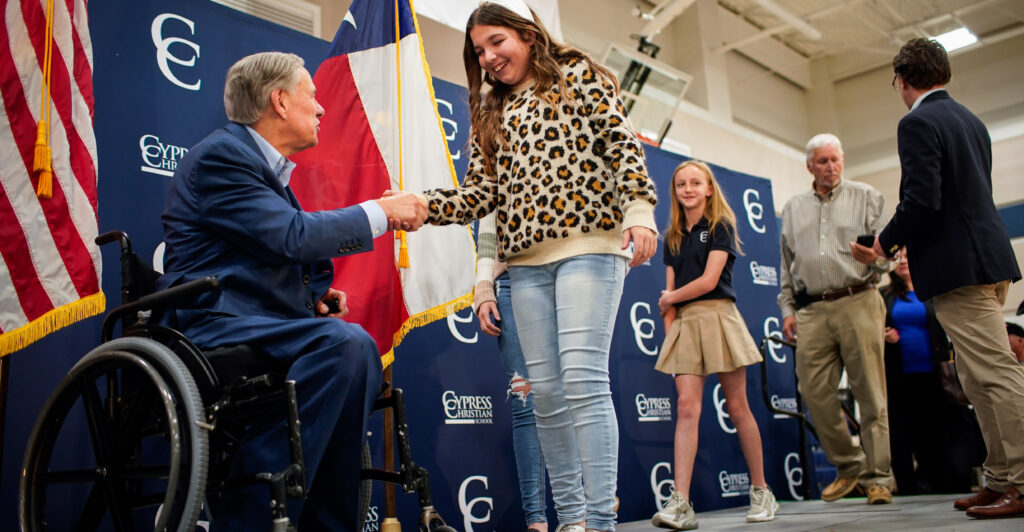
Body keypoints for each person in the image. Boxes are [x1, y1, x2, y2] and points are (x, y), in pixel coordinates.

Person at [158, 51, 428, 531]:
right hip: (213, 327)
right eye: (312, 95)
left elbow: (255, 252)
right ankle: (254, 515)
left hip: (257, 320)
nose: (320, 108)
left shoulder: (264, 171)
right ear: (279, 101)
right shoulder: (224, 157)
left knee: (349, 345)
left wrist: (312, 299)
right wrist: (381, 214)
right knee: (347, 345)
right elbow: (290, 236)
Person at [416, 2, 658, 530]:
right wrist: (423, 207)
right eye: (479, 51)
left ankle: (600, 520)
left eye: (496, 43)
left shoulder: (579, 73)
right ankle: (570, 519)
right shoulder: (490, 106)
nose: (488, 58)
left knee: (583, 382)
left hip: (589, 248)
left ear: (526, 34)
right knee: (544, 395)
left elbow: (622, 146)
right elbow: (480, 194)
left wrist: (639, 210)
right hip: (523, 265)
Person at [869, 37, 1024, 519]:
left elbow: (923, 200)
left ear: (902, 79)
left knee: (996, 375)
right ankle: (999, 478)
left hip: (958, 269)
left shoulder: (917, 122)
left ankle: (1021, 481)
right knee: (978, 379)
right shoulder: (971, 120)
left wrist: (884, 242)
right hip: (989, 262)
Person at [651, 160, 778, 529]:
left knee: (738, 408)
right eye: (680, 184)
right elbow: (668, 298)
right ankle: (681, 503)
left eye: (695, 183)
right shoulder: (673, 235)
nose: (687, 189)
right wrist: (670, 333)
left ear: (708, 189)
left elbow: (707, 281)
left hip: (720, 317)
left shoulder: (721, 224)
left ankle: (761, 492)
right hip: (685, 325)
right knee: (687, 408)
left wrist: (669, 299)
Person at [778, 133, 894, 504]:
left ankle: (879, 478)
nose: (831, 167)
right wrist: (787, 309)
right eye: (823, 162)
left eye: (836, 159)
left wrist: (874, 260)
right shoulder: (794, 207)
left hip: (859, 299)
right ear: (810, 166)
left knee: (870, 393)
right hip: (811, 308)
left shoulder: (868, 197)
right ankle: (849, 466)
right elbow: (786, 264)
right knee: (813, 390)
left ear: (843, 160)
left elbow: (890, 258)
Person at [474, 211, 551, 532]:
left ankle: (593, 509)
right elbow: (488, 235)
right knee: (525, 404)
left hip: (564, 277)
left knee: (578, 394)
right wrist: (483, 288)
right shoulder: (492, 168)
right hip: (509, 280)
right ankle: (536, 520)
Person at [882, 248, 982, 494]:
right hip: (898, 375)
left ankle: (941, 485)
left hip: (935, 374)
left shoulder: (933, 291)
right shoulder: (884, 296)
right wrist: (884, 335)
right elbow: (873, 327)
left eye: (908, 256)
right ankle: (906, 488)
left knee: (936, 432)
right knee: (901, 434)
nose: (903, 261)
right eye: (899, 258)